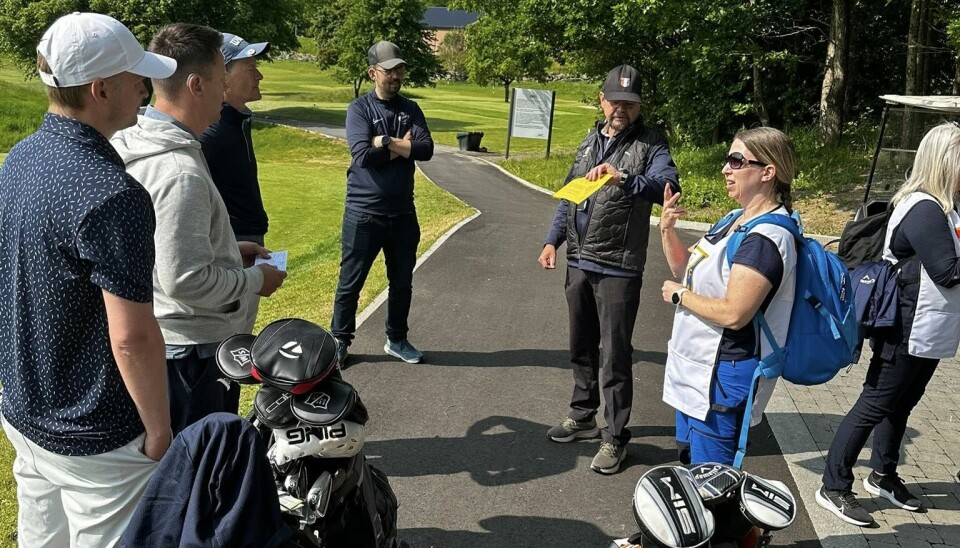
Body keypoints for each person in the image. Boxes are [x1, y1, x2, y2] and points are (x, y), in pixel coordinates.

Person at [0, 12, 176, 546]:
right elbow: (133, 338)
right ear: (101, 89)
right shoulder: (113, 194)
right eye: (135, 77)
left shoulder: (22, 156)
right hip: (94, 432)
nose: (145, 87)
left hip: (24, 407)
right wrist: (160, 430)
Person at [111, 23, 287, 436]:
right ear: (196, 86)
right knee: (198, 478)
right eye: (222, 79)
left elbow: (165, 249)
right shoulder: (178, 171)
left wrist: (228, 248)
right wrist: (254, 278)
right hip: (191, 354)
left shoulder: (138, 142)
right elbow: (184, 280)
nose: (227, 91)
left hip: (169, 344)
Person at [817, 122, 960, 526]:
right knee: (875, 403)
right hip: (905, 326)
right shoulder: (925, 208)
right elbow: (948, 271)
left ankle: (883, 474)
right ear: (946, 161)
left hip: (930, 327)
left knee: (902, 403)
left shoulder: (946, 206)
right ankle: (833, 485)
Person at [539, 64, 679, 475]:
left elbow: (667, 185)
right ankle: (582, 415)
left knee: (615, 354)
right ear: (601, 100)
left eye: (630, 103)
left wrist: (626, 178)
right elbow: (569, 197)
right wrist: (552, 241)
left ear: (639, 106)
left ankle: (615, 436)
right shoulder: (588, 142)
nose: (622, 108)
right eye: (615, 101)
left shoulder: (652, 144)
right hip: (578, 260)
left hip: (618, 266)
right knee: (580, 343)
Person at [658, 127, 799, 467]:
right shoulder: (734, 220)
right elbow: (684, 267)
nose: (726, 168)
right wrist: (667, 230)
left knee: (712, 480)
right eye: (728, 159)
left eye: (737, 161)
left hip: (723, 375)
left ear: (768, 172)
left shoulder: (766, 238)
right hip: (695, 370)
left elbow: (735, 314)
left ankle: (728, 522)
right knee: (692, 465)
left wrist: (680, 297)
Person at [331, 40, 434, 366]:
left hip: (403, 213)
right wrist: (401, 144)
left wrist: (384, 142)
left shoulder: (411, 109)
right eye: (389, 70)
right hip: (364, 214)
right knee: (351, 283)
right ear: (372, 72)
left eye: (399, 69)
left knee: (402, 283)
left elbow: (426, 149)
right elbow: (362, 155)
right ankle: (339, 341)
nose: (396, 76)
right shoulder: (359, 109)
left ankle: (397, 339)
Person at [200, 33, 271, 247]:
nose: (259, 76)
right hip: (230, 243)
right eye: (250, 69)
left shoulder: (238, 119)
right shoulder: (210, 131)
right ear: (223, 77)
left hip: (246, 237)